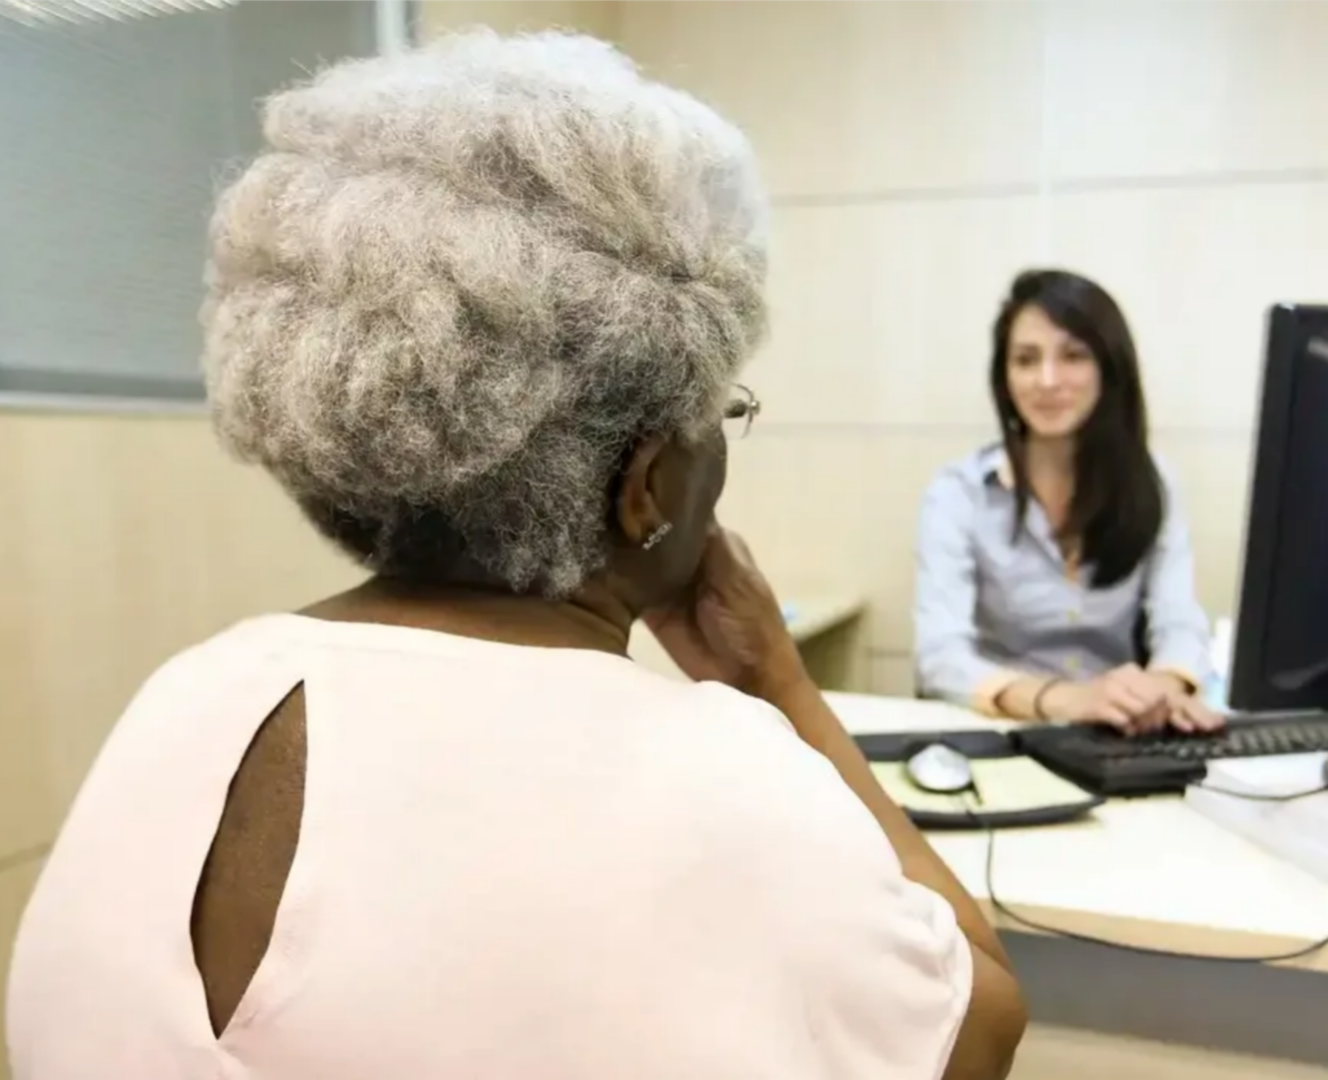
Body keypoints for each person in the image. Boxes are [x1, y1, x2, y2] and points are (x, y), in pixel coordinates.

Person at [5, 31, 1025, 1080]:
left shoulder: (188, 700)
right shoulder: (735, 777)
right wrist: (778, 683)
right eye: (722, 414)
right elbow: (980, 1025)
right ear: (649, 485)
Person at [914, 269, 1220, 733]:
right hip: (1005, 730)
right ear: (1005, 376)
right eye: (1026, 359)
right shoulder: (959, 492)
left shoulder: (1153, 482)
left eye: (1073, 356)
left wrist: (1165, 686)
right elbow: (939, 656)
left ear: (1109, 368)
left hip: (1119, 732)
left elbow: (1178, 621)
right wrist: (1064, 700)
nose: (1048, 380)